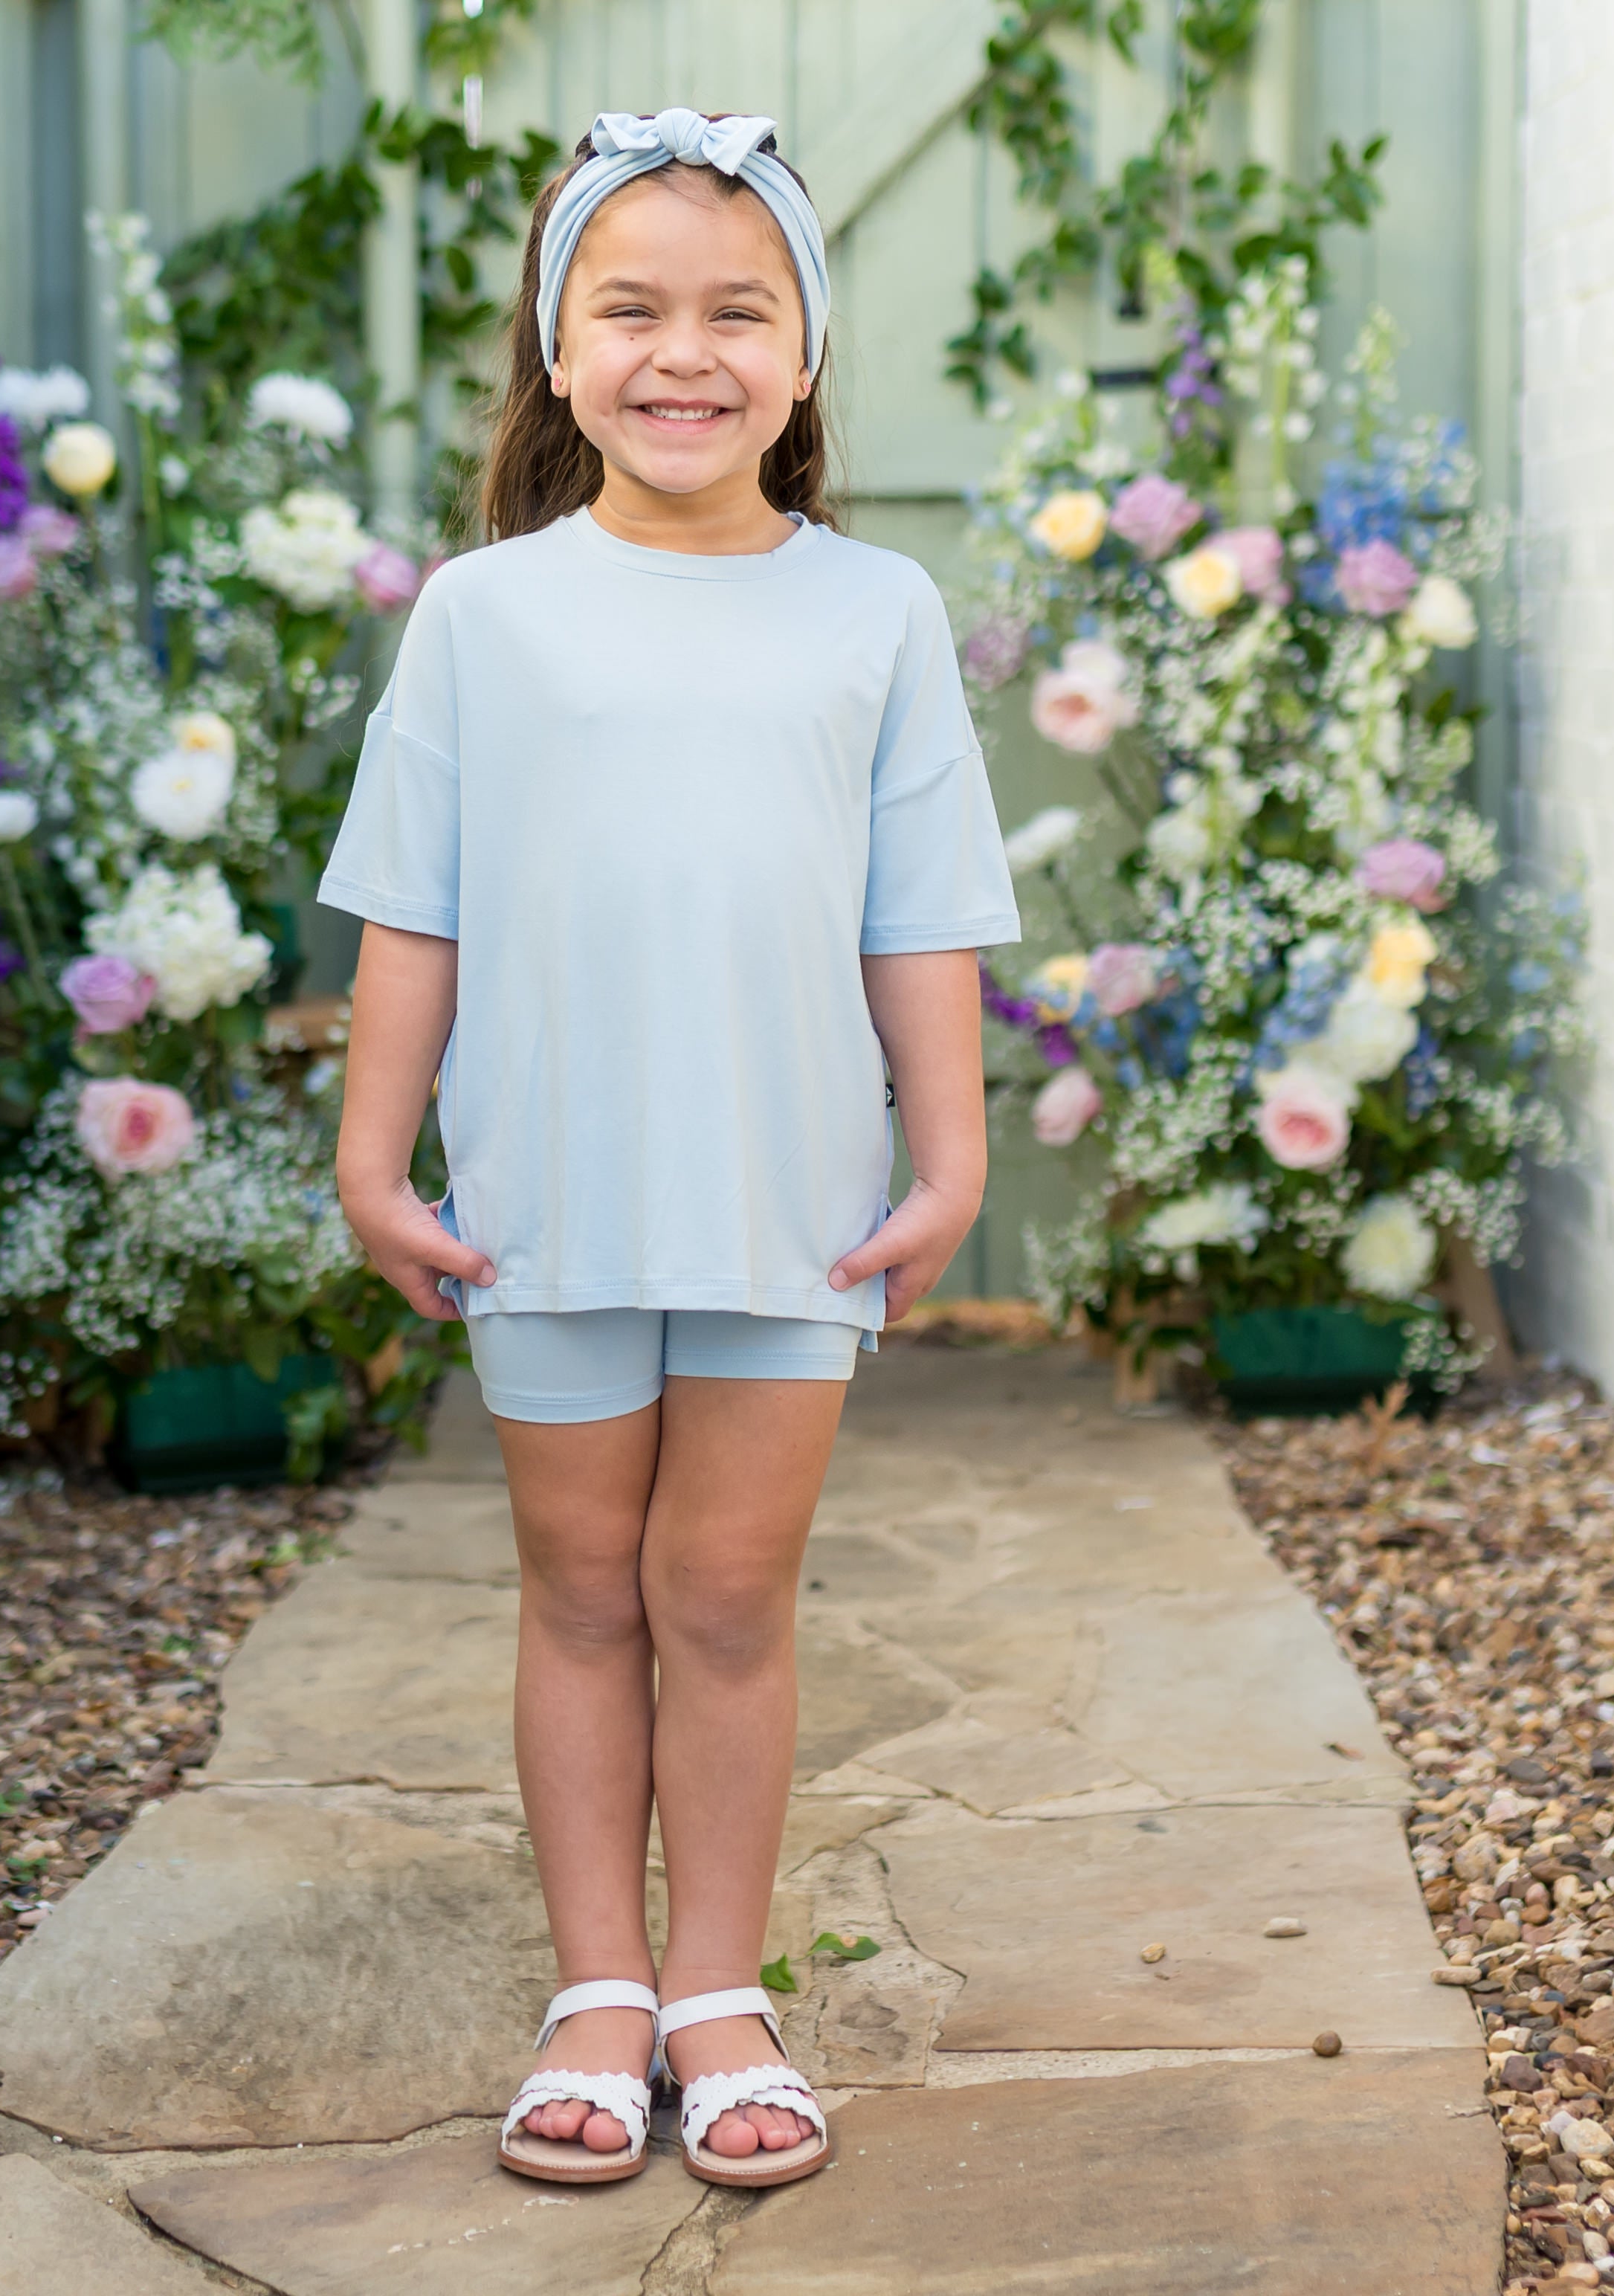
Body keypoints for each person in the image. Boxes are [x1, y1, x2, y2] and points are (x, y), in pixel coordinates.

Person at [319, 107, 1018, 2192]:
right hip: (547, 1196)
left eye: (738, 312)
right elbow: (411, 910)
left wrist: (951, 1156)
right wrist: (378, 1158)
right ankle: (597, 1989)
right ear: (558, 351)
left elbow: (923, 914)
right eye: (628, 308)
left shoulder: (875, 612)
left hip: (783, 1203)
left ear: (805, 363)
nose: (682, 352)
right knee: (575, 1590)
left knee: (724, 1594)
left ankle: (720, 1992)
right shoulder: (485, 613)